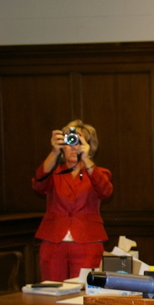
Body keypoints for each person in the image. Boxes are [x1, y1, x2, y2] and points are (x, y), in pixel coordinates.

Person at [32, 119, 113, 282]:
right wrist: (54, 152)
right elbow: (38, 184)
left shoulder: (98, 172)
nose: (74, 146)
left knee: (83, 290)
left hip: (87, 240)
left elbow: (105, 191)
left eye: (79, 141)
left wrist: (87, 159)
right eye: (70, 141)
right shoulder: (53, 171)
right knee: (52, 290)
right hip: (53, 240)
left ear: (89, 146)